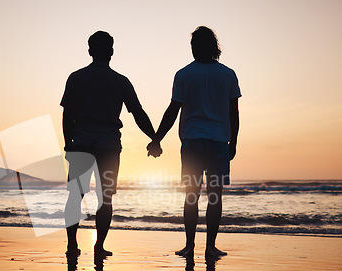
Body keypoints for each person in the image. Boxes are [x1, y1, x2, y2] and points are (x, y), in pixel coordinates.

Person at [61, 31, 157, 258]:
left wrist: (68, 145)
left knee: (75, 196)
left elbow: (67, 115)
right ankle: (99, 246)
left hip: (81, 144)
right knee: (105, 198)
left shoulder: (76, 77)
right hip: (109, 146)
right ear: (111, 51)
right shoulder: (120, 81)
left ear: (90, 51)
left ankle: (72, 246)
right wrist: (154, 138)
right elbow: (138, 113)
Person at [147, 26, 241, 258]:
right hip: (218, 143)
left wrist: (157, 139)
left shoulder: (184, 74)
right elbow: (234, 113)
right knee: (215, 195)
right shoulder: (228, 74)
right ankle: (210, 247)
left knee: (191, 195)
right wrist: (234, 142)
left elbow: (172, 111)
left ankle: (190, 246)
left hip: (192, 143)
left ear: (197, 48)